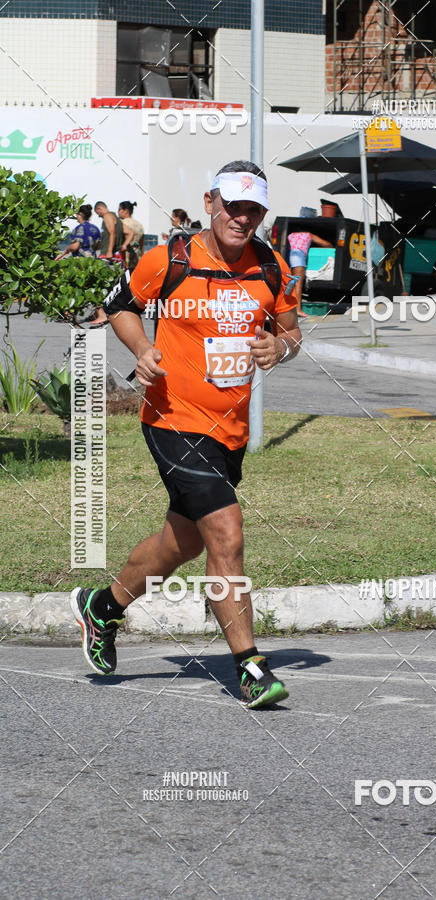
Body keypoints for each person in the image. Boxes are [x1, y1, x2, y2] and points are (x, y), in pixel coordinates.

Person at [71, 160, 301, 709]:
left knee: (187, 540)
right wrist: (142, 350)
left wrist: (281, 348)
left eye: (253, 210)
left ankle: (103, 607)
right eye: (233, 206)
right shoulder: (168, 259)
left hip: (230, 431)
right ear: (210, 202)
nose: (241, 218)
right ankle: (250, 667)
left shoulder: (272, 269)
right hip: (172, 419)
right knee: (226, 531)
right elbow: (120, 307)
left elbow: (290, 330)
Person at [287, 231, 333, 315]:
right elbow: (325, 243)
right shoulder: (308, 234)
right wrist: (332, 246)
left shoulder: (291, 235)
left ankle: (289, 308)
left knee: (291, 284)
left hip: (290, 257)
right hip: (299, 258)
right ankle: (298, 310)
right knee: (298, 285)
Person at [118, 200, 144, 269]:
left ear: (126, 211)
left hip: (126, 257)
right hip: (137, 257)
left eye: (119, 209)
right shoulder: (139, 225)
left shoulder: (122, 223)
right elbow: (142, 244)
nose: (118, 212)